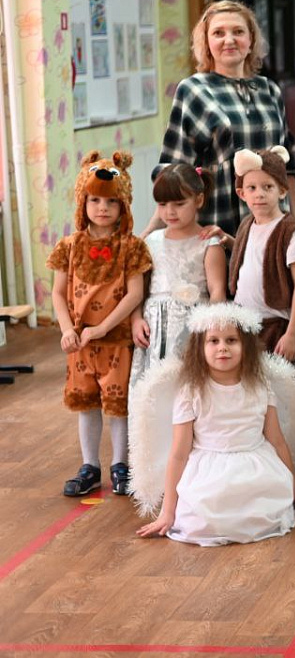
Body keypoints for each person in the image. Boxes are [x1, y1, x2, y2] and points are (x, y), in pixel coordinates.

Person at [136, 304, 295, 544]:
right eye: (213, 341)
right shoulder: (191, 391)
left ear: (245, 346)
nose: (222, 347)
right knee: (201, 517)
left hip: (254, 469)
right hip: (209, 472)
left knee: (262, 509)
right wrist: (167, 512)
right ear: (200, 348)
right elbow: (179, 454)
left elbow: (277, 441)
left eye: (231, 340)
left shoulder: (260, 386)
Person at [156, 0, 295, 241]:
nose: (229, 40)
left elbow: (287, 164)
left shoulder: (270, 90)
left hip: (275, 223)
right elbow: (175, 169)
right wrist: (155, 231)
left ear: (251, 40)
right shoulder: (193, 90)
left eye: (238, 32)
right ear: (206, 42)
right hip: (219, 223)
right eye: (218, 33)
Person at [50, 151, 153, 498]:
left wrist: (103, 328)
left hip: (116, 342)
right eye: (94, 200)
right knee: (87, 404)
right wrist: (68, 329)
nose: (102, 208)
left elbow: (135, 294)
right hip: (80, 344)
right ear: (83, 202)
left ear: (124, 205)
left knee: (118, 406)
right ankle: (90, 466)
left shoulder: (132, 247)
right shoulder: (68, 247)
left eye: (111, 201)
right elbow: (58, 293)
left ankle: (120, 465)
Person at [131, 164, 226, 386]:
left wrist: (208, 331)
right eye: (162, 204)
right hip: (154, 331)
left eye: (179, 204)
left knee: (190, 387)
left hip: (193, 328)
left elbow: (217, 292)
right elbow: (138, 289)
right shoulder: (151, 242)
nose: (170, 212)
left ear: (198, 200)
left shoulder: (208, 243)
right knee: (155, 389)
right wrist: (136, 319)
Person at [227, 148, 295, 360]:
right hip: (245, 323)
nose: (259, 194)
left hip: (276, 327)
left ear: (282, 190)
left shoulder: (289, 232)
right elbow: (252, 255)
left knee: (278, 379)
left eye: (268, 187)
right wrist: (227, 240)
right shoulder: (247, 225)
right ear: (242, 193)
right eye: (252, 188)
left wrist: (293, 334)